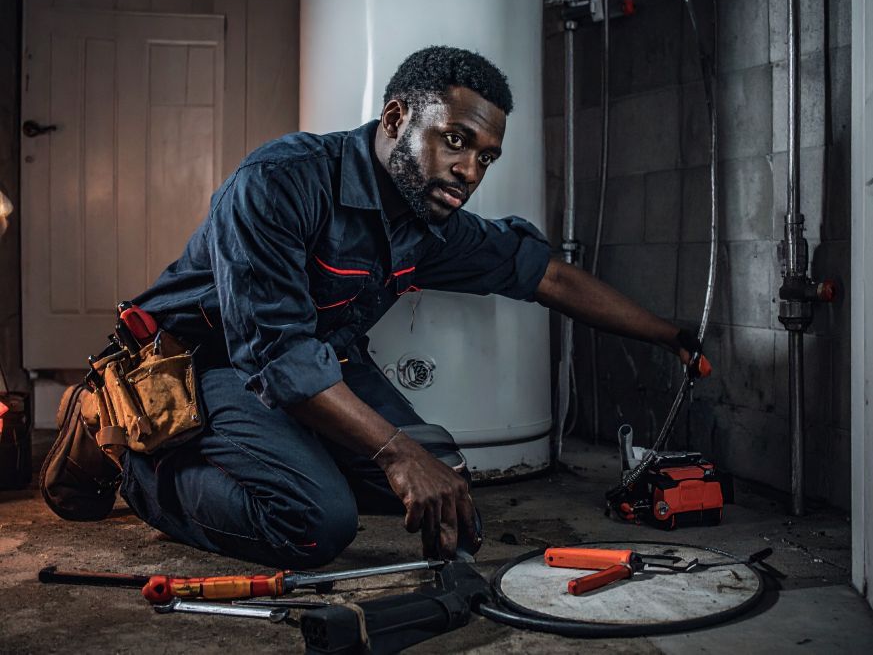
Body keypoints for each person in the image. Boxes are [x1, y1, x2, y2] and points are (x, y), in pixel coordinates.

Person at [51, 46, 701, 568]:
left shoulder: (432, 221)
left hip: (316, 359)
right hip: (198, 360)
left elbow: (547, 277)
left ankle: (287, 449)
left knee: (443, 478)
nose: (471, 170)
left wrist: (670, 334)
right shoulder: (281, 181)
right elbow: (274, 355)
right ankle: (129, 453)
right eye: (454, 140)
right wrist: (392, 450)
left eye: (485, 157)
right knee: (314, 523)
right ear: (395, 120)